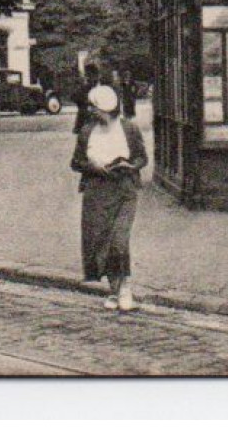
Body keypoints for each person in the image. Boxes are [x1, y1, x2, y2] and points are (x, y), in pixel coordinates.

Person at [70, 84, 148, 312]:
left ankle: (125, 288)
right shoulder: (87, 131)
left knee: (119, 241)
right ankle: (114, 290)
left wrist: (130, 165)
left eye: (94, 107)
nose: (91, 111)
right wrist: (93, 167)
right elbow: (75, 162)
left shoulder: (129, 129)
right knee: (102, 242)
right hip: (97, 191)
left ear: (106, 109)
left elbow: (143, 158)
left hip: (124, 189)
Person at [71, 62, 104, 135]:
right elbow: (74, 98)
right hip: (85, 124)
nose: (88, 78)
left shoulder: (103, 89)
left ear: (97, 76)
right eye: (87, 76)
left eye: (90, 75)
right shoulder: (84, 88)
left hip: (100, 124)